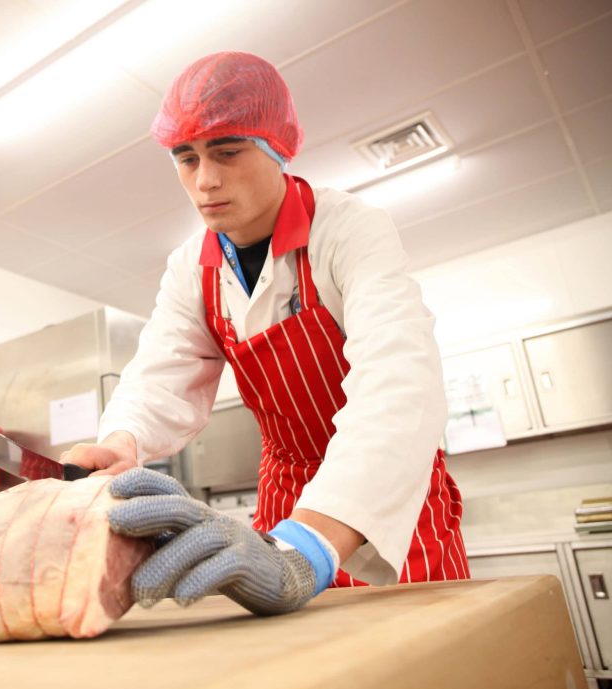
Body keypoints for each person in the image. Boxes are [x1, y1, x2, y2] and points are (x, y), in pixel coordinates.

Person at [60, 51, 469, 615]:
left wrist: (315, 543)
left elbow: (400, 381)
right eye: (186, 159)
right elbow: (160, 375)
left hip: (391, 500)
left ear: (277, 146)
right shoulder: (190, 268)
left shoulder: (347, 230)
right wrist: (121, 442)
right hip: (283, 501)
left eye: (228, 152)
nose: (205, 180)